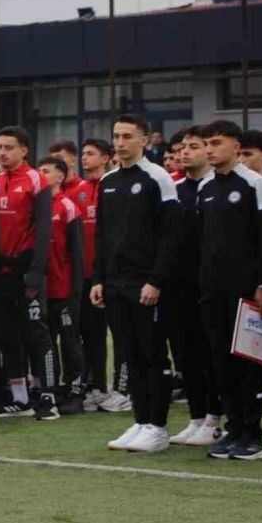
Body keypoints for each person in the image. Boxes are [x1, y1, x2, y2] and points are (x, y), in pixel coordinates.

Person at [93, 114, 179, 454]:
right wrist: (99, 279)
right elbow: (101, 235)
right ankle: (141, 421)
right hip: (115, 285)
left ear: (144, 140)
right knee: (129, 355)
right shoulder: (108, 181)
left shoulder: (158, 178)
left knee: (152, 354)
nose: (120, 142)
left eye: (127, 136)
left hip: (146, 285)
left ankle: (158, 427)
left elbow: (171, 235)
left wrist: (156, 280)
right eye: (116, 136)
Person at [197, 120, 262, 460]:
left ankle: (252, 434)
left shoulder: (254, 184)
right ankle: (233, 428)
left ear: (235, 146)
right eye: (207, 143)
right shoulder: (205, 187)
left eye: (216, 143)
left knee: (248, 362)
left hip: (245, 289)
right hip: (211, 289)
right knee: (220, 361)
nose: (210, 149)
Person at [0, 126, 57, 420]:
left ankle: (48, 396)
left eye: (9, 147)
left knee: (36, 336)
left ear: (24, 150)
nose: (2, 153)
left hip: (26, 273)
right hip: (0, 273)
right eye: (0, 147)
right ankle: (20, 399)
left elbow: (44, 231)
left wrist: (35, 274)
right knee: (7, 336)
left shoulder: (36, 180)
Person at [167, 126, 223, 447]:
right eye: (181, 147)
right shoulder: (173, 189)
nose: (184, 152)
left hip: (209, 285)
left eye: (193, 146)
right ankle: (197, 417)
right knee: (185, 355)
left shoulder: (216, 187)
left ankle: (215, 418)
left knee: (209, 354)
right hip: (179, 287)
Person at [78, 138, 128, 412]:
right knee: (91, 334)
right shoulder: (79, 190)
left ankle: (123, 388)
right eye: (83, 153)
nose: (84, 158)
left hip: (115, 274)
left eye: (90, 153)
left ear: (106, 158)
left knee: (121, 334)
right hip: (88, 275)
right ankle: (97, 386)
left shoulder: (113, 186)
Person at [36, 157, 86, 415]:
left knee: (69, 341)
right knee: (46, 343)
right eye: (39, 170)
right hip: (41, 289)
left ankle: (75, 391)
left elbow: (77, 254)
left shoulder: (67, 206)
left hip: (63, 289)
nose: (41, 175)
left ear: (60, 177)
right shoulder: (36, 206)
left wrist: (75, 290)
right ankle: (51, 389)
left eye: (46, 171)